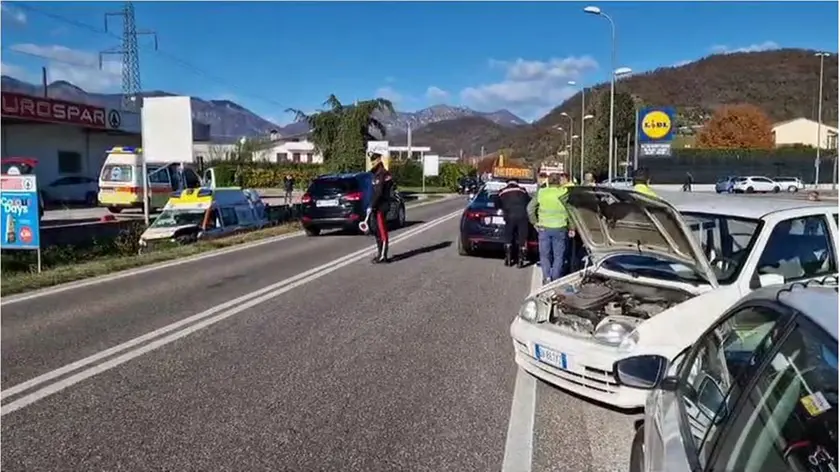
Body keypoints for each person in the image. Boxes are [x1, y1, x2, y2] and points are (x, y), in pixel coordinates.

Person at [528, 173, 576, 284]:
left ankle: (546, 277)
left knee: (545, 255)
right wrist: (572, 227)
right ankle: (555, 277)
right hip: (560, 228)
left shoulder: (542, 192)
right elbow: (571, 211)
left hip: (544, 227)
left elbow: (530, 208)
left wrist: (534, 222)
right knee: (559, 256)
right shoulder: (564, 193)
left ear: (548, 181)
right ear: (559, 182)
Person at [496, 180, 531, 268]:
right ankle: (521, 260)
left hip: (509, 216)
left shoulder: (502, 191)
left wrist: (501, 209)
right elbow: (528, 202)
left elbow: (497, 203)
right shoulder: (523, 191)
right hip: (523, 216)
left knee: (509, 236)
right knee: (522, 237)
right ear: (517, 183)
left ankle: (508, 258)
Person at [368, 153, 394, 263]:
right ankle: (380, 253)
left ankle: (383, 255)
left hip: (381, 207)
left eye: (374, 161)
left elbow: (379, 193)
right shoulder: (376, 174)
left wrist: (371, 205)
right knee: (376, 230)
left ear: (378, 161)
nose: (372, 164)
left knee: (382, 231)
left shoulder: (383, 174)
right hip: (376, 207)